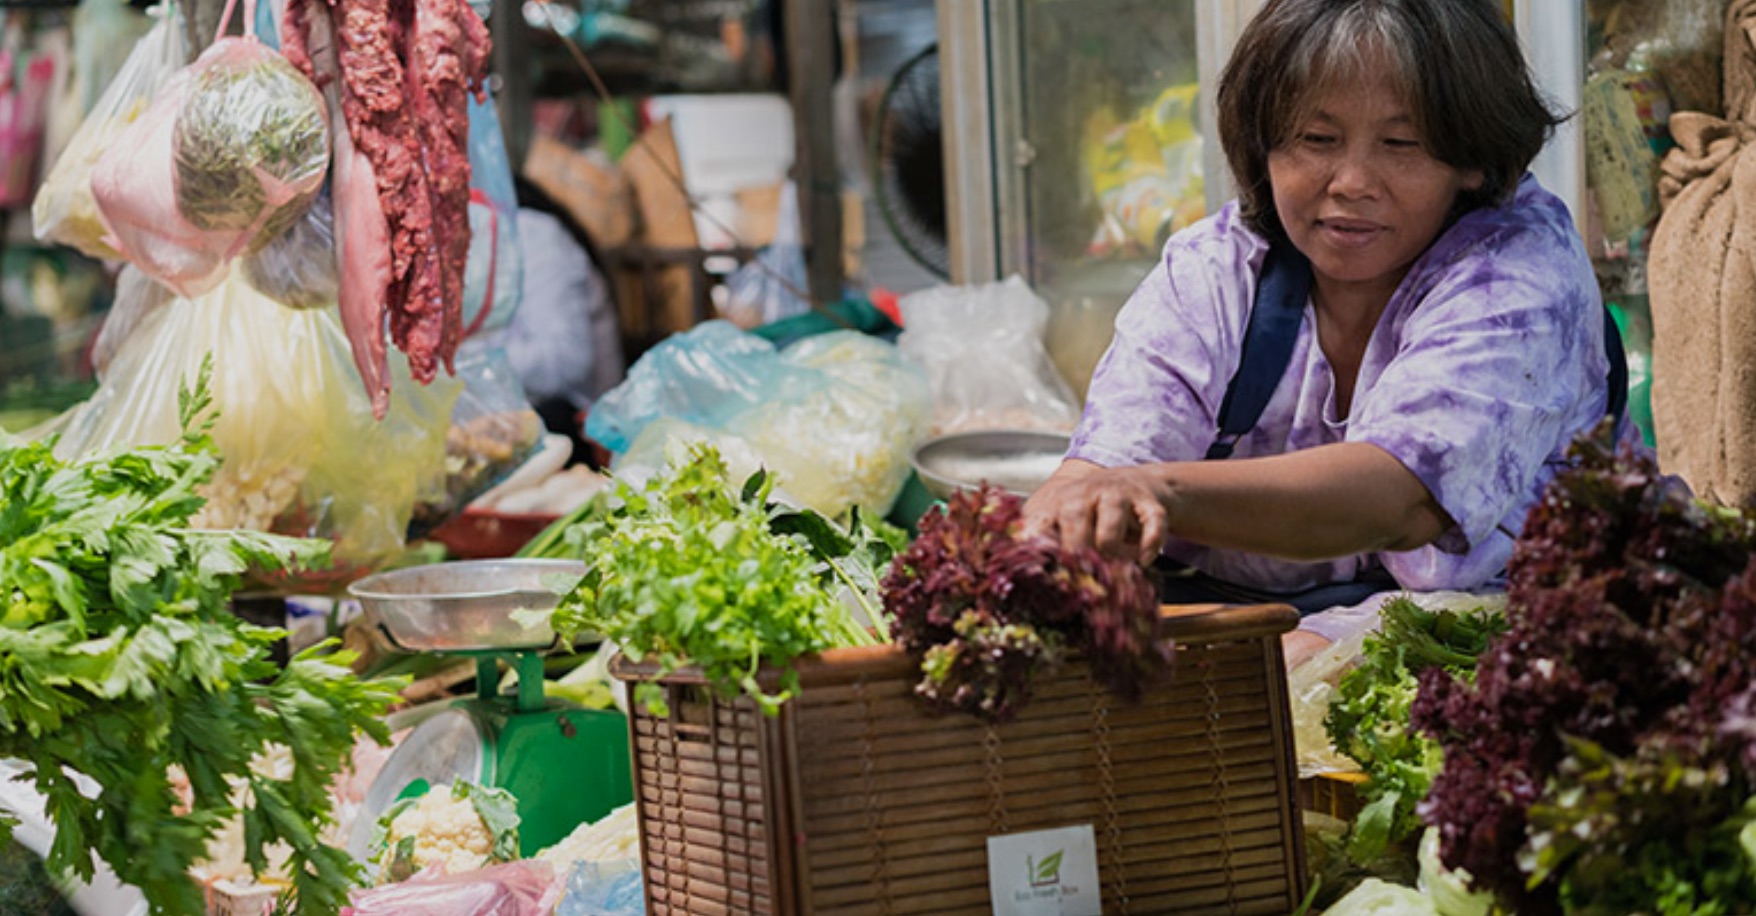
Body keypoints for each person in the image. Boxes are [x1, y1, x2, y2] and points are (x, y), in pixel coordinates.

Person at [1022, 0, 1632, 663]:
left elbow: (1400, 497)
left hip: (1518, 638)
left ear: (1472, 158)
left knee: (1280, 673)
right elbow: (1106, 466)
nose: (1352, 183)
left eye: (1400, 144)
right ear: (1264, 144)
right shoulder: (1216, 269)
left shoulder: (1519, 276)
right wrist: (1077, 512)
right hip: (1268, 625)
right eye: (1317, 139)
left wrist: (1155, 492)